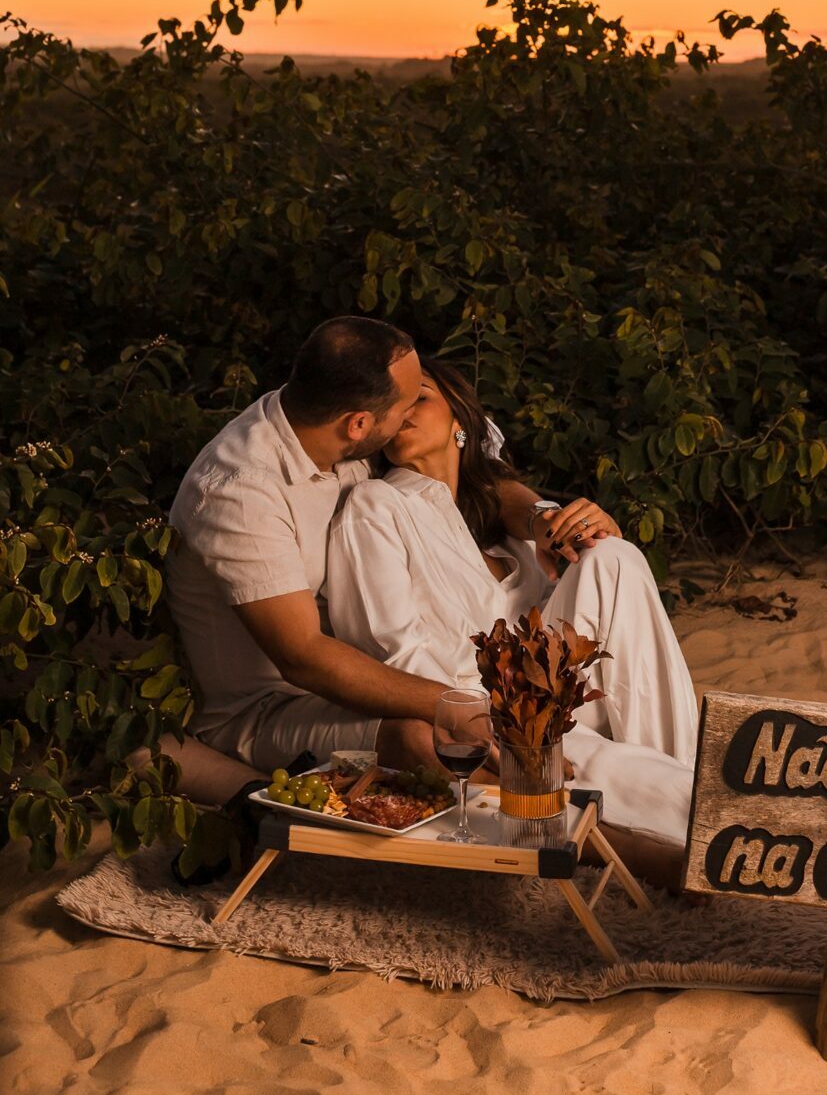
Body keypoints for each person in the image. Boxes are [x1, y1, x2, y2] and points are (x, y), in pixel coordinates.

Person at [165, 316, 618, 775]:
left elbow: (474, 471)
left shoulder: (333, 412)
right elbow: (303, 658)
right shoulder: (241, 493)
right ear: (359, 424)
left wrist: (541, 517)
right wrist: (463, 707)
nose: (409, 418)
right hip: (269, 709)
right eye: (407, 405)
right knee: (427, 739)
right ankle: (560, 813)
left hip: (360, 677)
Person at [324, 356, 698, 862]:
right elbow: (390, 648)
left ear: (460, 421)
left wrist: (568, 524)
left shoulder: (503, 526)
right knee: (661, 791)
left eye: (420, 397)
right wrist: (472, 722)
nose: (403, 410)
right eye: (394, 403)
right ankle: (700, 806)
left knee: (610, 555)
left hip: (552, 692)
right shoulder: (375, 504)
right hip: (485, 716)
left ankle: (685, 774)